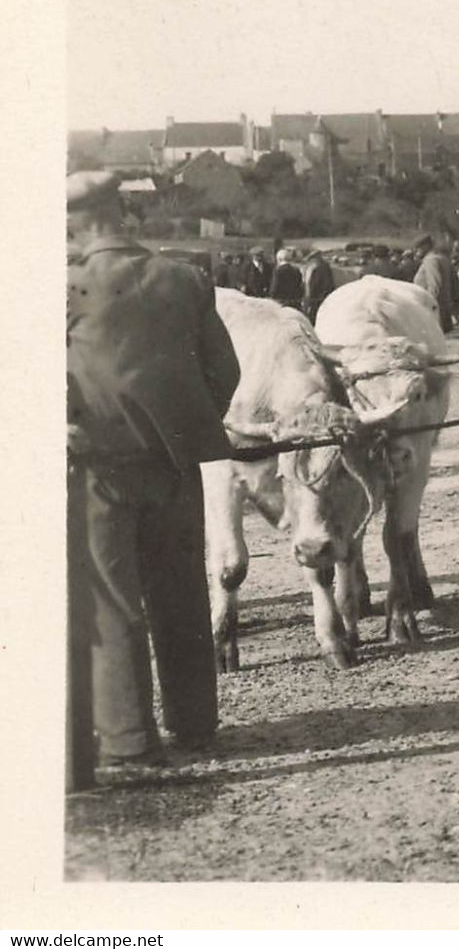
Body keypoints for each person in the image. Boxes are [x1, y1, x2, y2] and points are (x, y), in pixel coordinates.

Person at [66, 171, 240, 789]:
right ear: (121, 215)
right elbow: (225, 370)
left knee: (113, 601)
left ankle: (132, 743)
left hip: (98, 469)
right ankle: (194, 722)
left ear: (78, 224)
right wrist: (186, 429)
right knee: (179, 593)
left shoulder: (68, 285)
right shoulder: (183, 278)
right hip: (173, 465)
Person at [412, 234, 457, 334]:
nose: (416, 251)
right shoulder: (443, 258)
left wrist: (430, 306)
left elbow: (435, 286)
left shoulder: (430, 260)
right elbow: (455, 282)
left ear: (426, 246)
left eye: (418, 248)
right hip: (444, 307)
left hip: (432, 310)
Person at [303, 249, 335, 319]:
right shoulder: (309, 268)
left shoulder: (323, 267)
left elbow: (327, 285)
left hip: (319, 298)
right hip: (310, 298)